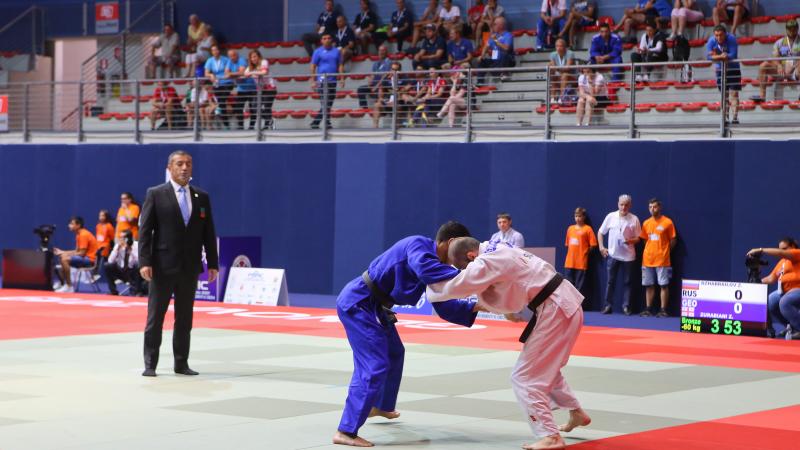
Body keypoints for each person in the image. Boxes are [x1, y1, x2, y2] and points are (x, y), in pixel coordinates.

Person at [427, 237, 591, 450]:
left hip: (555, 309)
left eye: (464, 267)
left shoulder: (486, 260)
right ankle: (575, 411)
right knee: (544, 366)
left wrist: (430, 287)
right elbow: (512, 286)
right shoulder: (500, 247)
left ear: (471, 256)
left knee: (525, 377)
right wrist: (506, 310)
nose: (467, 270)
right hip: (563, 302)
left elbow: (460, 286)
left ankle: (550, 435)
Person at [331, 222, 480, 447]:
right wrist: (474, 278)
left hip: (376, 307)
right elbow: (426, 269)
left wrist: (481, 305)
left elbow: (442, 304)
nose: (461, 262)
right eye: (461, 255)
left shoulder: (435, 266)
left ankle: (379, 405)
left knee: (394, 353)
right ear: (451, 243)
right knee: (374, 365)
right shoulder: (419, 245)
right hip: (359, 302)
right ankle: (346, 430)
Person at [139, 150, 218, 377]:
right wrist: (144, 261)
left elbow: (208, 232)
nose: (185, 168)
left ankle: (181, 363)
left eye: (188, 164)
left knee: (185, 318)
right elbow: (145, 232)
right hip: (162, 266)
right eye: (180, 164)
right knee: (156, 317)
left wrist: (212, 262)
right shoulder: (155, 194)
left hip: (189, 266)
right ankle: (150, 364)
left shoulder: (201, 197)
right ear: (170, 168)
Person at [598, 194, 641, 315]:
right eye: (621, 204)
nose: (624, 207)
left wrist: (630, 241)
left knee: (628, 282)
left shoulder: (634, 219)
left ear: (630, 205)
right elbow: (601, 232)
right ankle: (607, 306)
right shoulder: (611, 216)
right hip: (613, 255)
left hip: (629, 256)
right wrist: (601, 247)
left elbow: (639, 238)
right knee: (610, 281)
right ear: (618, 204)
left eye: (626, 204)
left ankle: (626, 306)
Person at [750, 238, 800, 339]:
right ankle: (791, 327)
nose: (782, 252)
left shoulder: (797, 254)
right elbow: (771, 278)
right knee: (770, 301)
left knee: (784, 302)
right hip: (785, 291)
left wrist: (761, 250)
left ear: (793, 247)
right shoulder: (783, 262)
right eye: (780, 249)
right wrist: (755, 283)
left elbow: (780, 253)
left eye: (785, 249)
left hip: (797, 289)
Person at [639, 198, 677, 317]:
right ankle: (648, 309)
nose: (652, 209)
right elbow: (645, 240)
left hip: (662, 259)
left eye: (654, 207)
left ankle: (663, 310)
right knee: (649, 285)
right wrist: (651, 251)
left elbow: (673, 239)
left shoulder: (667, 222)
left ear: (659, 207)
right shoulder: (646, 223)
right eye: (650, 207)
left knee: (663, 285)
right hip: (648, 260)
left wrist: (665, 251)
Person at [753, 20, 800, 103]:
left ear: (797, 29)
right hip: (782, 71)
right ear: (786, 29)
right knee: (763, 65)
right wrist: (779, 65)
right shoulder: (779, 42)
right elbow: (775, 57)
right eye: (790, 29)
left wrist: (793, 67)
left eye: (794, 29)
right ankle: (762, 96)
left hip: (796, 69)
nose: (792, 31)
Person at [53, 216, 100, 293]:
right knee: (62, 257)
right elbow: (77, 251)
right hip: (84, 257)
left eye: (72, 224)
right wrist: (62, 252)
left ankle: (69, 286)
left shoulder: (83, 235)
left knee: (64, 259)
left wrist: (65, 254)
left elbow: (81, 253)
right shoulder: (78, 234)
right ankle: (63, 284)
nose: (69, 225)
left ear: (78, 225)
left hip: (90, 260)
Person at [707, 25, 741, 125]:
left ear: (725, 34)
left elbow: (732, 55)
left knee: (734, 93)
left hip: (733, 68)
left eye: (721, 35)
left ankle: (735, 117)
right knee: (724, 95)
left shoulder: (731, 39)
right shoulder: (711, 41)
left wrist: (716, 57)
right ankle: (725, 118)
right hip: (720, 70)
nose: (718, 38)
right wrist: (722, 56)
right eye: (716, 35)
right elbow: (708, 57)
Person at [310, 33, 344, 130]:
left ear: (332, 39)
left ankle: (320, 122)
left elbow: (340, 65)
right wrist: (313, 80)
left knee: (329, 102)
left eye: (329, 38)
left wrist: (342, 78)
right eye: (324, 38)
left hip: (333, 80)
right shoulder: (317, 51)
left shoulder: (337, 51)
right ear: (321, 41)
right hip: (322, 80)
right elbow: (313, 66)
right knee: (325, 102)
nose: (327, 40)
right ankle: (323, 123)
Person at [564, 207, 597, 297]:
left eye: (579, 216)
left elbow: (593, 244)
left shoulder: (588, 229)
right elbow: (568, 244)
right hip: (570, 262)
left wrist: (585, 253)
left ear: (584, 217)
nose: (577, 218)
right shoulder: (570, 229)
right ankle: (569, 303)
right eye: (576, 216)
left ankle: (578, 305)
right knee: (568, 284)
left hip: (581, 262)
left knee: (580, 286)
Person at [244, 50, 277, 130]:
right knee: (255, 107)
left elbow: (264, 72)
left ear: (258, 56)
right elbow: (245, 73)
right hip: (260, 90)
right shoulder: (251, 67)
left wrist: (253, 73)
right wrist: (253, 72)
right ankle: (270, 120)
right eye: (251, 57)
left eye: (255, 56)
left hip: (270, 88)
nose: (253, 59)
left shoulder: (264, 62)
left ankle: (267, 125)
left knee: (266, 107)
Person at [104, 230, 144, 296]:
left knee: (137, 266)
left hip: (133, 272)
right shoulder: (118, 246)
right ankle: (113, 291)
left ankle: (138, 291)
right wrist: (117, 250)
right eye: (120, 237)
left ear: (128, 238)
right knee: (107, 265)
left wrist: (129, 250)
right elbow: (110, 261)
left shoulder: (136, 245)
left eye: (122, 238)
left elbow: (139, 260)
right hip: (122, 271)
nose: (120, 240)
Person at [477, 16, 514, 85]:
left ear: (501, 25)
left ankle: (503, 74)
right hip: (495, 60)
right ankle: (480, 82)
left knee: (504, 54)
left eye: (495, 24)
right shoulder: (494, 35)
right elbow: (486, 46)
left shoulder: (508, 35)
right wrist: (482, 55)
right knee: (481, 61)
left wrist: (496, 40)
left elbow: (506, 48)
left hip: (507, 61)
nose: (493, 26)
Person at [204, 45, 232, 127]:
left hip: (227, 82)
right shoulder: (210, 60)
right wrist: (211, 75)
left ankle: (218, 109)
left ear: (219, 51)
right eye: (213, 50)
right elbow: (206, 73)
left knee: (221, 101)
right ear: (211, 52)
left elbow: (228, 71)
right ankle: (226, 124)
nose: (215, 51)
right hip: (217, 83)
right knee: (222, 103)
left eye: (216, 49)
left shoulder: (225, 59)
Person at [224, 49, 248, 130]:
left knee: (253, 108)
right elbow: (226, 73)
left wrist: (231, 74)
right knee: (238, 108)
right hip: (241, 88)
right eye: (230, 56)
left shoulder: (242, 60)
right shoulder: (229, 61)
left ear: (237, 55)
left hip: (251, 87)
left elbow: (242, 72)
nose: (231, 58)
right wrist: (234, 74)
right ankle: (241, 127)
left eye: (233, 55)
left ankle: (252, 127)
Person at [549, 38, 576, 104]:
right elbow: (552, 66)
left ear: (565, 47)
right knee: (552, 73)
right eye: (557, 46)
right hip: (559, 76)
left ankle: (561, 98)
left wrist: (557, 68)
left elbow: (567, 68)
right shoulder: (552, 54)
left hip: (572, 78)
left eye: (560, 46)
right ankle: (553, 98)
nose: (558, 48)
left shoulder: (570, 53)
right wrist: (554, 69)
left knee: (565, 75)